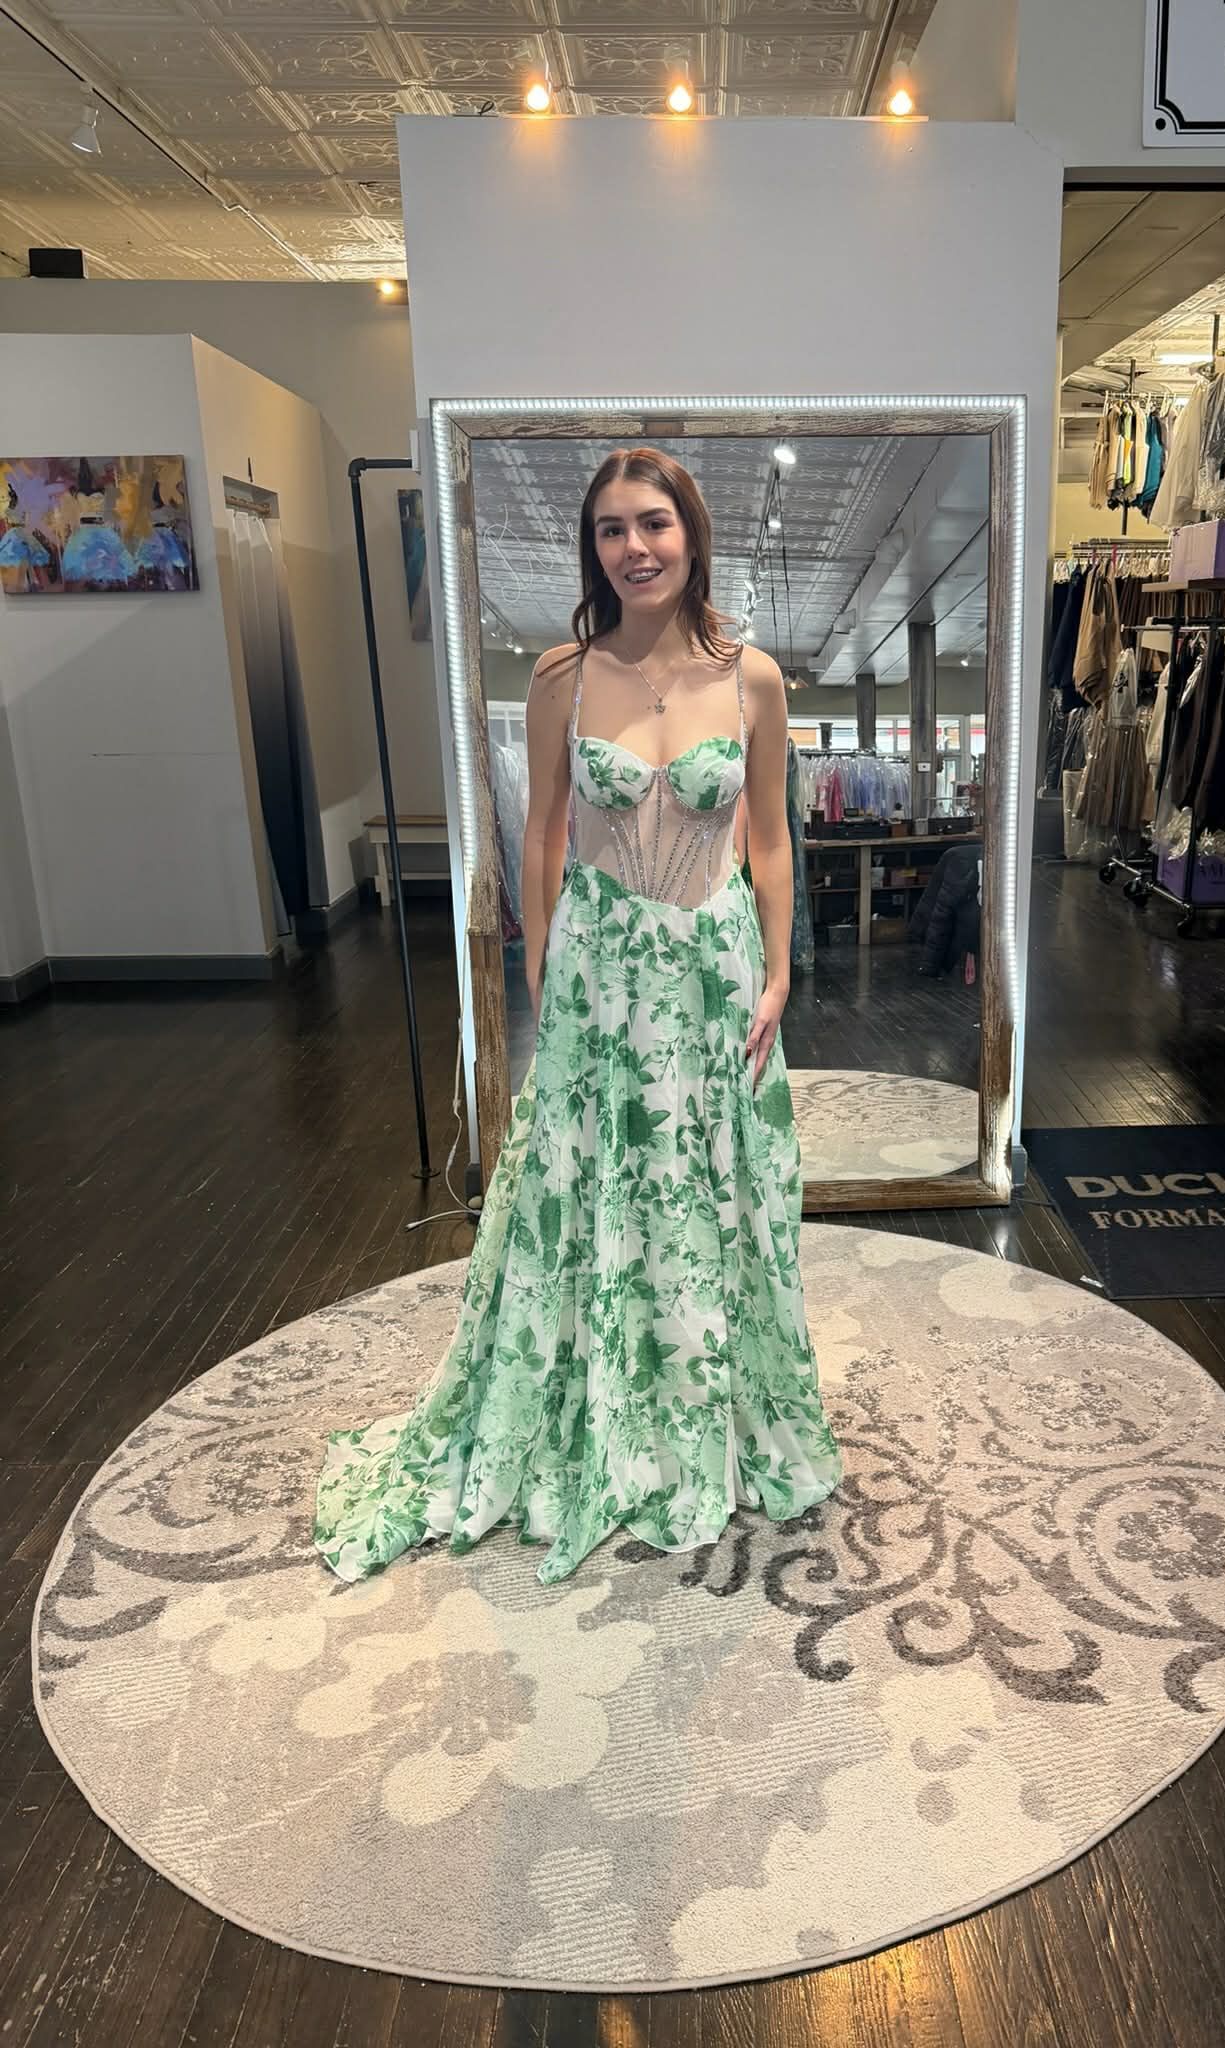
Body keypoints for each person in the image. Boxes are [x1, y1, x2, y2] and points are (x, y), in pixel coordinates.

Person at [313, 448, 842, 1587]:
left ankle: (711, 1413)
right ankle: (596, 1407)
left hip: (710, 965)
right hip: (602, 975)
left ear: (691, 532)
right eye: (610, 529)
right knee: (588, 1183)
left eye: (653, 522)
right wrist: (543, 951)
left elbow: (769, 836)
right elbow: (543, 826)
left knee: (714, 1186)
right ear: (591, 547)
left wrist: (781, 969)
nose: (634, 547)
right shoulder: (563, 672)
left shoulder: (751, 677)